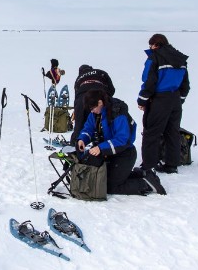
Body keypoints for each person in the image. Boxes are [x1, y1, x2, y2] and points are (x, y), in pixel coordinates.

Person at [75, 87, 164, 195]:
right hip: (110, 153)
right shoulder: (95, 114)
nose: (91, 111)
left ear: (100, 102)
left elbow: (122, 139)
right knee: (103, 179)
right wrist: (82, 139)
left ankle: (146, 184)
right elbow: (88, 129)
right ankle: (142, 174)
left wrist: (100, 148)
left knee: (110, 187)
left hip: (125, 153)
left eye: (93, 108)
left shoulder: (117, 112)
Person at [137, 33, 190, 173]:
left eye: (151, 45)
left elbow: (149, 81)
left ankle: (148, 165)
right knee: (172, 132)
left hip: (159, 99)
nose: (150, 48)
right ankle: (172, 165)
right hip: (175, 99)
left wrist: (142, 100)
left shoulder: (154, 57)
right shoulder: (181, 59)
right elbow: (185, 84)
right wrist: (180, 99)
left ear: (156, 45)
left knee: (151, 132)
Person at [70, 65, 115, 146]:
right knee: (104, 123)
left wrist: (77, 111)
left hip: (82, 99)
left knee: (79, 126)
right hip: (100, 95)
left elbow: (77, 95)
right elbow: (112, 90)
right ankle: (105, 146)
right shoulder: (101, 72)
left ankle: (75, 147)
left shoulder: (79, 78)